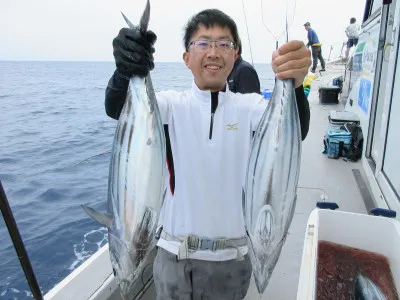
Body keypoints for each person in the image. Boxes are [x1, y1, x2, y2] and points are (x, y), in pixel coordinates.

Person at [106, 8, 311, 299]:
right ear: (186, 58)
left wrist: (297, 84)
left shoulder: (251, 108)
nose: (213, 51)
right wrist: (125, 69)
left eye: (224, 44)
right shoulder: (167, 106)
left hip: (233, 262)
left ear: (235, 55)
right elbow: (116, 108)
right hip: (173, 259)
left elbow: (295, 132)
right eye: (203, 43)